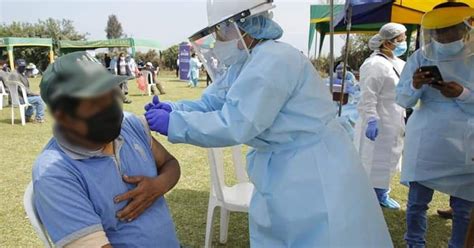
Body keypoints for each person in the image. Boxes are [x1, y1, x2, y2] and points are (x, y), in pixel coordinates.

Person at [144, 1, 392, 247]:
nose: (218, 40)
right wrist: (176, 109)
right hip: (285, 166)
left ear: (246, 25)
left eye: (222, 31)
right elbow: (214, 102)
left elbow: (237, 122)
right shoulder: (246, 62)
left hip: (312, 169)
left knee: (324, 235)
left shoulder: (275, 59)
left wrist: (175, 123)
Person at [33, 52, 180, 247]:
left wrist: (159, 186)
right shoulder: (54, 172)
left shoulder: (129, 125)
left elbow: (170, 163)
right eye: (94, 100)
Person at [396, 2, 474, 248]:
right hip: (427, 139)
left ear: (466, 26)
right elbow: (402, 99)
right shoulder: (422, 55)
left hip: (464, 141)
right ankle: (414, 243)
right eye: (438, 31)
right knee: (417, 202)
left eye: (448, 30)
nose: (442, 37)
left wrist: (462, 94)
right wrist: (415, 85)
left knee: (463, 206)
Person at [353, 23, 407, 210]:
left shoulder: (399, 63)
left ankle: (382, 192)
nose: (404, 42)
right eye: (401, 39)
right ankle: (370, 194)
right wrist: (371, 119)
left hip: (394, 118)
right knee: (372, 158)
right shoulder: (374, 64)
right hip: (377, 119)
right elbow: (368, 95)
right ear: (387, 43)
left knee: (389, 158)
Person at [10, 59, 46, 123]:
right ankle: (39, 118)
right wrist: (34, 93)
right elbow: (22, 89)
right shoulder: (15, 75)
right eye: (21, 67)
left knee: (35, 100)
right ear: (16, 66)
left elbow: (23, 89)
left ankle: (27, 116)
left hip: (18, 97)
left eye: (24, 66)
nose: (23, 68)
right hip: (19, 98)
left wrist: (33, 94)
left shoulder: (16, 73)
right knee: (39, 99)